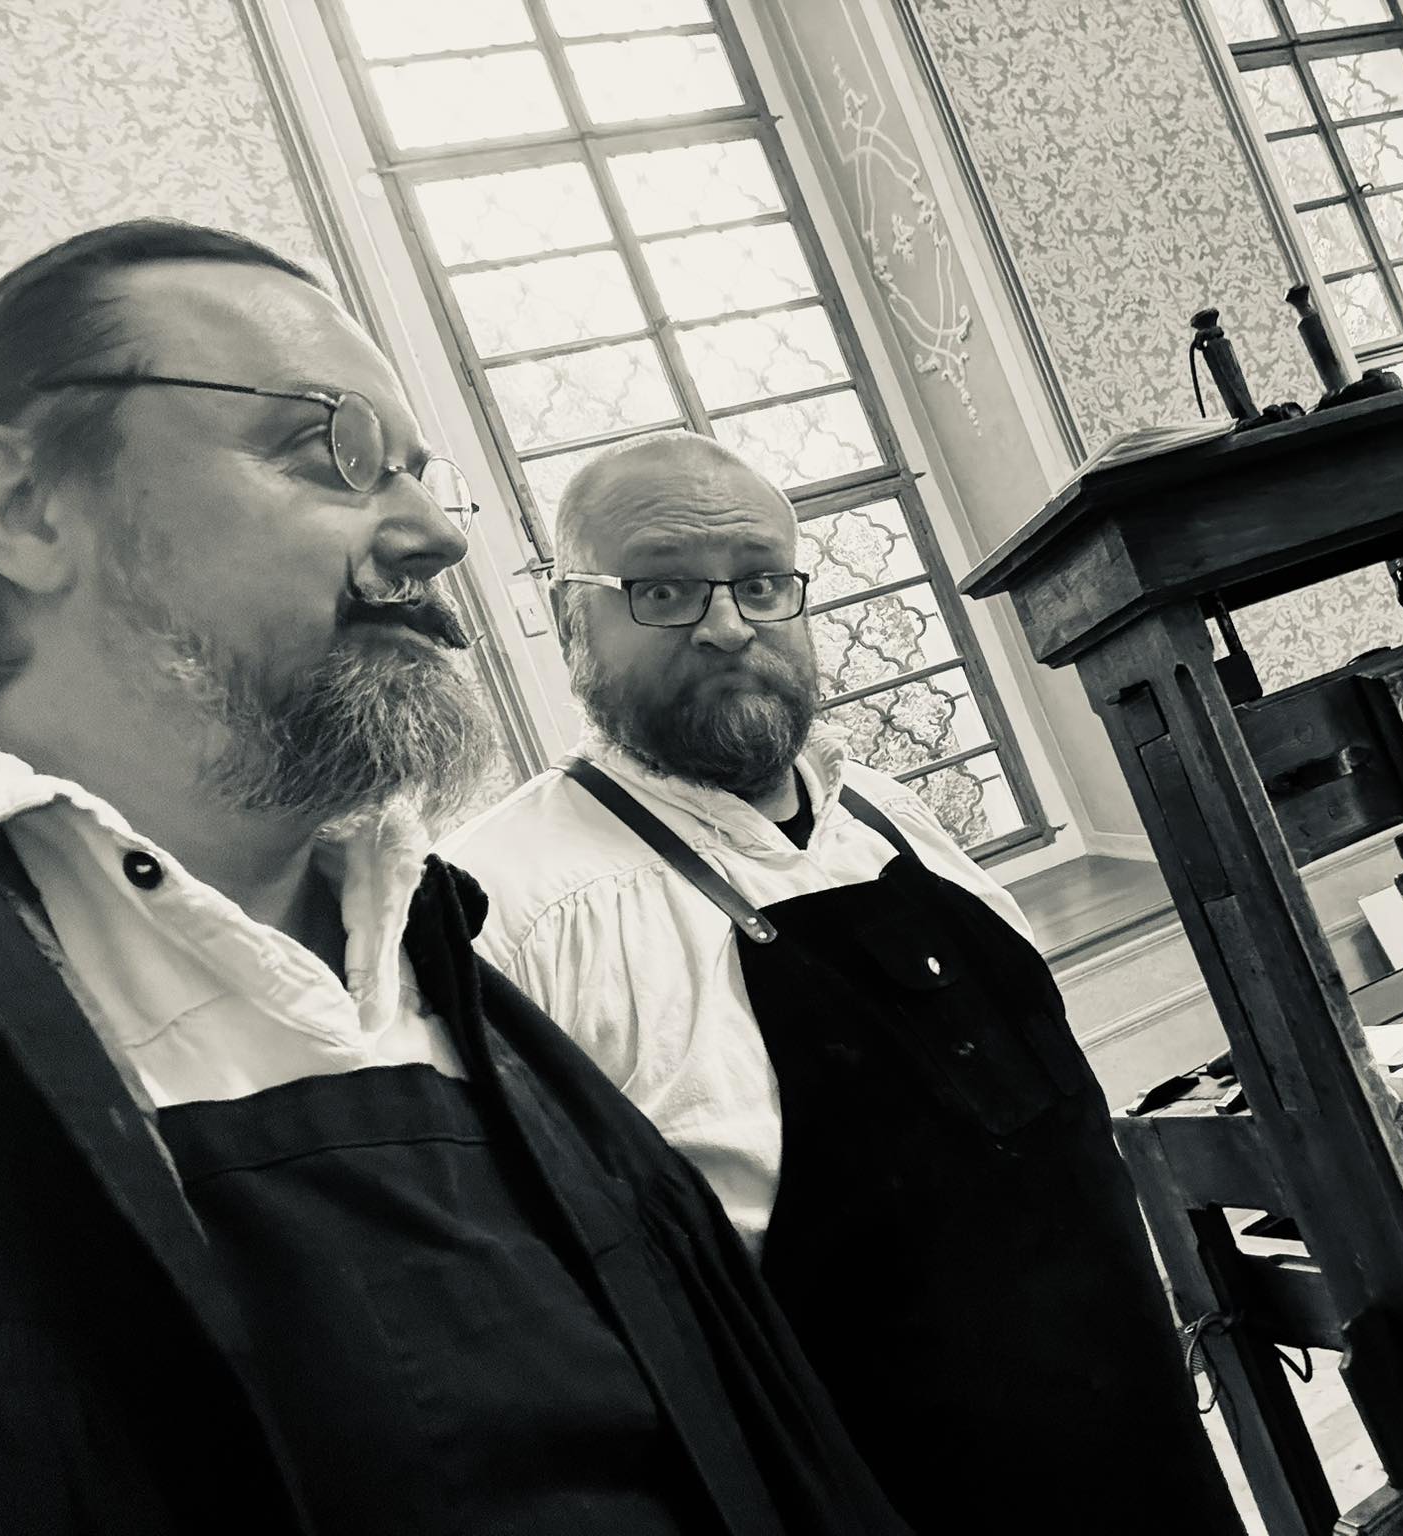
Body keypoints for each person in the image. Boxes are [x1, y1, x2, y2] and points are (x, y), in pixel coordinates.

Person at [0, 219, 913, 1536]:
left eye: (419, 474)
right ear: (25, 507)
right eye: (333, 452)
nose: (431, 536)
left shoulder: (452, 970)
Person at [440, 431, 1246, 1535]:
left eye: (762, 583)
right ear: (572, 618)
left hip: (1143, 1462)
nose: (729, 626)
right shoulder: (508, 915)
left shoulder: (889, 817)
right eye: (663, 591)